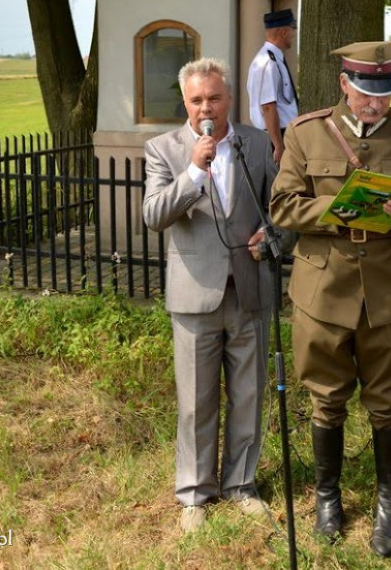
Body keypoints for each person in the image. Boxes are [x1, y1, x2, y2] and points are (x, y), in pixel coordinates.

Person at [269, 40, 391, 557]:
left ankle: (388, 506)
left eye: (386, 93)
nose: (376, 104)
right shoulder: (306, 133)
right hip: (324, 288)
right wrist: (335, 210)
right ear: (346, 84)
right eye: (367, 93)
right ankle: (328, 498)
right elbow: (283, 204)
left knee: (387, 402)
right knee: (326, 398)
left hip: (390, 290)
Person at [142, 57, 278, 534]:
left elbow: (279, 209)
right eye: (198, 99)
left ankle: (241, 484)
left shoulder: (257, 144)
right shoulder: (164, 149)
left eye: (215, 98)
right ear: (185, 102)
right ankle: (195, 493)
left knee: (248, 394)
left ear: (229, 99)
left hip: (249, 289)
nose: (207, 107)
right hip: (194, 295)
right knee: (196, 402)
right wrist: (195, 173)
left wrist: (273, 234)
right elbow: (154, 214)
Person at [247, 8, 299, 165]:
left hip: (277, 134)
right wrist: (278, 145)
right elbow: (268, 106)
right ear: (283, 31)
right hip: (275, 136)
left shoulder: (272, 59)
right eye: (292, 30)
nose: (293, 35)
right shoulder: (269, 63)